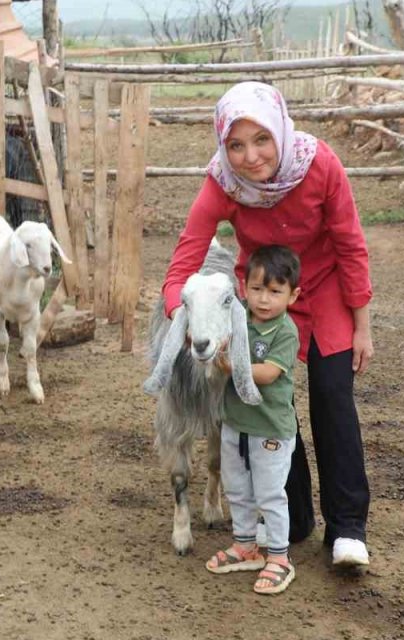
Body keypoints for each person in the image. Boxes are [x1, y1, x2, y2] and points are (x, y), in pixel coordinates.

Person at [160, 81, 375, 568]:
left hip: (326, 295)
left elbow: (351, 245)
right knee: (271, 400)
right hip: (265, 301)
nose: (251, 156)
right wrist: (184, 317)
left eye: (261, 140)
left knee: (331, 396)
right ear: (222, 145)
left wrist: (362, 324)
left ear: (280, 130)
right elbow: (183, 264)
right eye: (236, 144)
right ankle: (293, 517)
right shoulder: (222, 183)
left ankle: (347, 528)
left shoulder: (320, 165)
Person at [205, 244, 302, 595]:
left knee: (270, 494)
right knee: (237, 489)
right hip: (235, 425)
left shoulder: (285, 332)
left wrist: (230, 364)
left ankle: (279, 557)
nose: (264, 299)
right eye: (257, 289)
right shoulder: (238, 317)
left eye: (275, 291)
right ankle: (246, 545)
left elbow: (267, 373)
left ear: (293, 295)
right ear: (243, 287)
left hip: (270, 431)